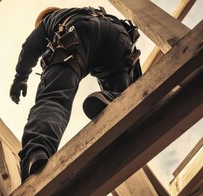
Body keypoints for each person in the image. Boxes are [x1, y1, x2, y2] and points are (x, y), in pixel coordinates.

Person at [10, 6, 142, 182]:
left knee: (54, 98)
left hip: (75, 35)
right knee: (124, 90)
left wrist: (21, 77)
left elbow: (31, 46)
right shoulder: (83, 10)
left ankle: (36, 151)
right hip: (119, 34)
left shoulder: (50, 21)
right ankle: (112, 98)